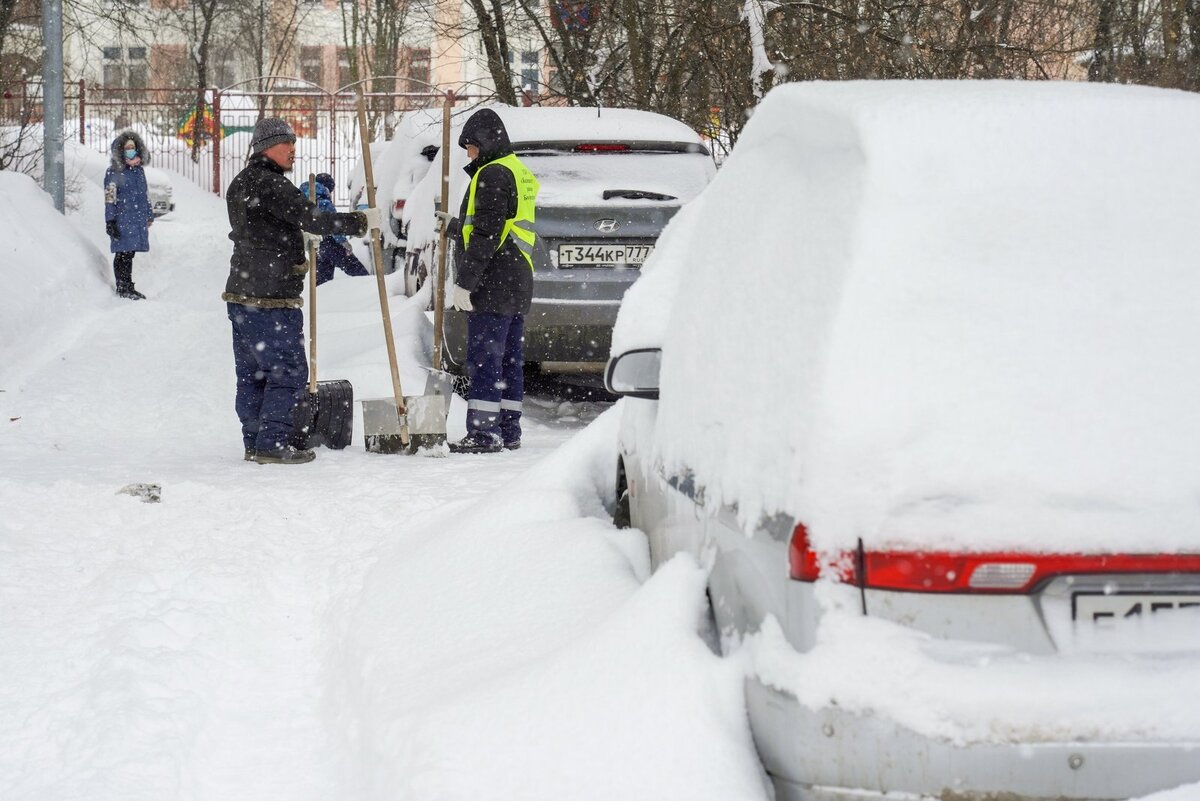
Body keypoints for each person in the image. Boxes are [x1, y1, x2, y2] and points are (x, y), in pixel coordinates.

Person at [222, 117, 381, 465]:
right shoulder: (272, 184)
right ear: (267, 148)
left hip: (241, 295)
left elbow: (269, 227)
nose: (294, 149)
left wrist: (291, 235)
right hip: (271, 297)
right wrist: (361, 221)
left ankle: (255, 440)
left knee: (252, 374)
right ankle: (273, 444)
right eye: (287, 143)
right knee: (288, 371)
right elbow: (315, 219)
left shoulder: (241, 183)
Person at [446, 108, 540, 454]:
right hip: (517, 277)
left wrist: (465, 283)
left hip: (494, 278)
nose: (468, 154)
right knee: (509, 358)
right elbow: (501, 223)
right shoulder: (517, 170)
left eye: (469, 147)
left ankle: (484, 434)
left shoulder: (492, 174)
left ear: (483, 143)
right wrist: (455, 227)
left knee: (486, 358)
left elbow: (487, 233)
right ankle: (508, 429)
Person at [104, 131, 154, 300]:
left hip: (137, 218)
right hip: (122, 219)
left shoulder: (138, 170)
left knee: (129, 253)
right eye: (127, 148)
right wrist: (110, 220)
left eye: (133, 147)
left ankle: (128, 285)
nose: (131, 150)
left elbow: (144, 194)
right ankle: (123, 287)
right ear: (120, 150)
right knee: (122, 253)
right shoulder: (114, 172)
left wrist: (149, 215)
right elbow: (109, 198)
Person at [299, 172, 370, 285]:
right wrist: (344, 242)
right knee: (356, 269)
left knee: (322, 278)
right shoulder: (324, 202)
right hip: (330, 242)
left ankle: (324, 297)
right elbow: (335, 225)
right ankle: (369, 286)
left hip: (316, 244)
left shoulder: (303, 200)